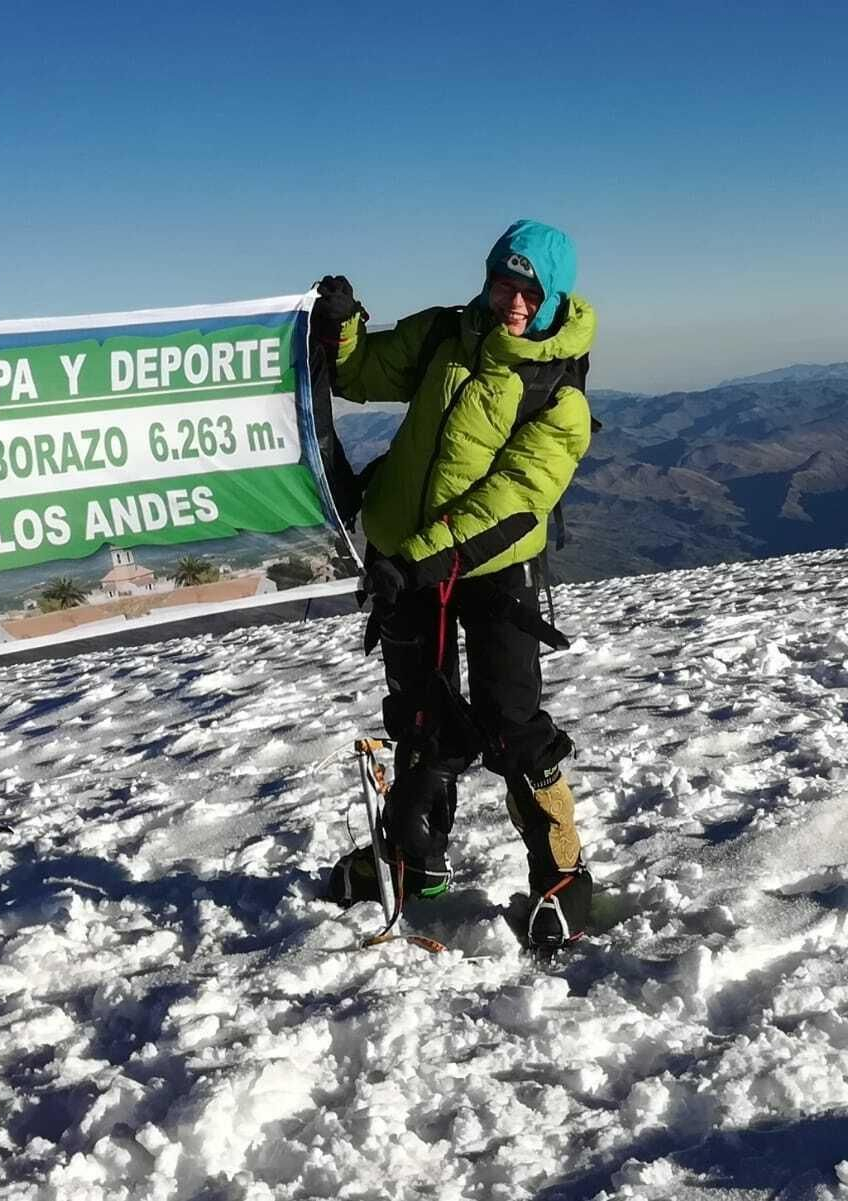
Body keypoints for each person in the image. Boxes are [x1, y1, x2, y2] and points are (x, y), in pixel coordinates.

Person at [316, 219, 596, 952]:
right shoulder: (448, 331)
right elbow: (361, 373)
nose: (512, 301)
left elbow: (516, 495)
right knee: (419, 713)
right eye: (504, 282)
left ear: (552, 297)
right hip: (406, 560)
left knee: (510, 721)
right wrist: (343, 329)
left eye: (529, 292)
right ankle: (416, 860)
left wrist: (422, 558)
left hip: (491, 566)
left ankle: (562, 872)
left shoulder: (557, 391)